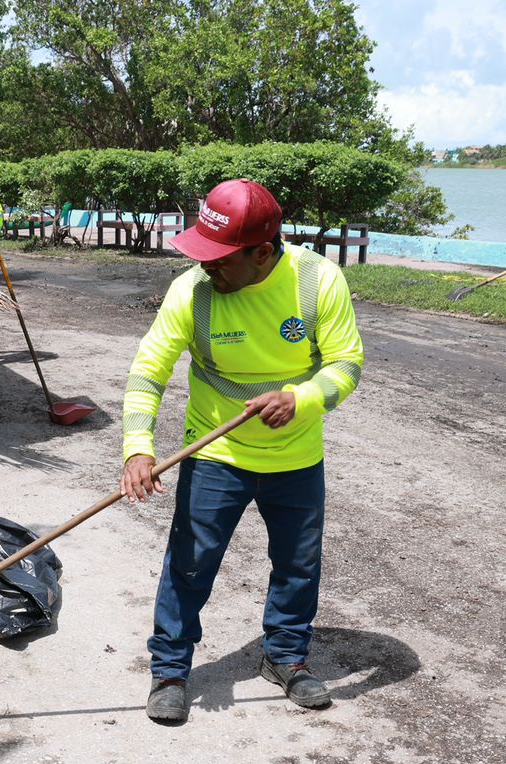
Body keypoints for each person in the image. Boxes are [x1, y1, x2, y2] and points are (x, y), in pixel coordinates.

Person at [120, 179, 364, 724]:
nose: (207, 267)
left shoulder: (318, 282)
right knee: (189, 564)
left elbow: (346, 364)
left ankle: (285, 658)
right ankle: (170, 670)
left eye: (220, 258)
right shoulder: (193, 291)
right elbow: (148, 371)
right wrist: (138, 448)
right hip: (215, 456)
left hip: (296, 458)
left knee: (298, 565)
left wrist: (300, 399)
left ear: (261, 252)